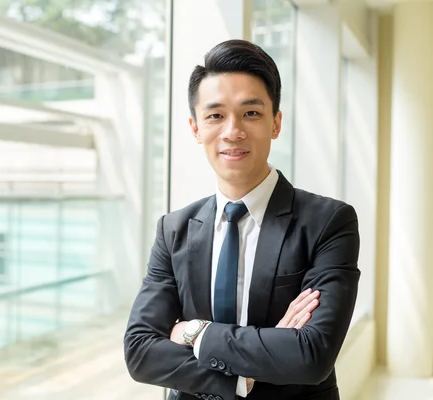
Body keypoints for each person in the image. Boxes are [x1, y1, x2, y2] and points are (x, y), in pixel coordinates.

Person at [123, 39, 360, 400]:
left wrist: (194, 332)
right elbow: (140, 352)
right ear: (195, 128)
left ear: (276, 123)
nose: (232, 131)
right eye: (215, 115)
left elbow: (311, 355)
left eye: (251, 113)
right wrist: (241, 377)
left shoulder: (328, 223)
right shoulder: (174, 230)